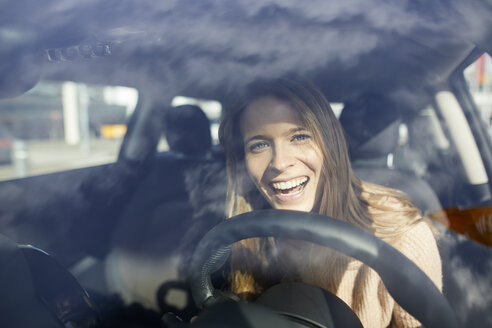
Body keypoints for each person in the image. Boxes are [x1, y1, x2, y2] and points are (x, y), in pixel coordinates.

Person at [218, 77, 442, 328]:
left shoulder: (401, 237)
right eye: (259, 145)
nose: (279, 162)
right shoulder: (238, 234)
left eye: (300, 137)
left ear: (331, 143)